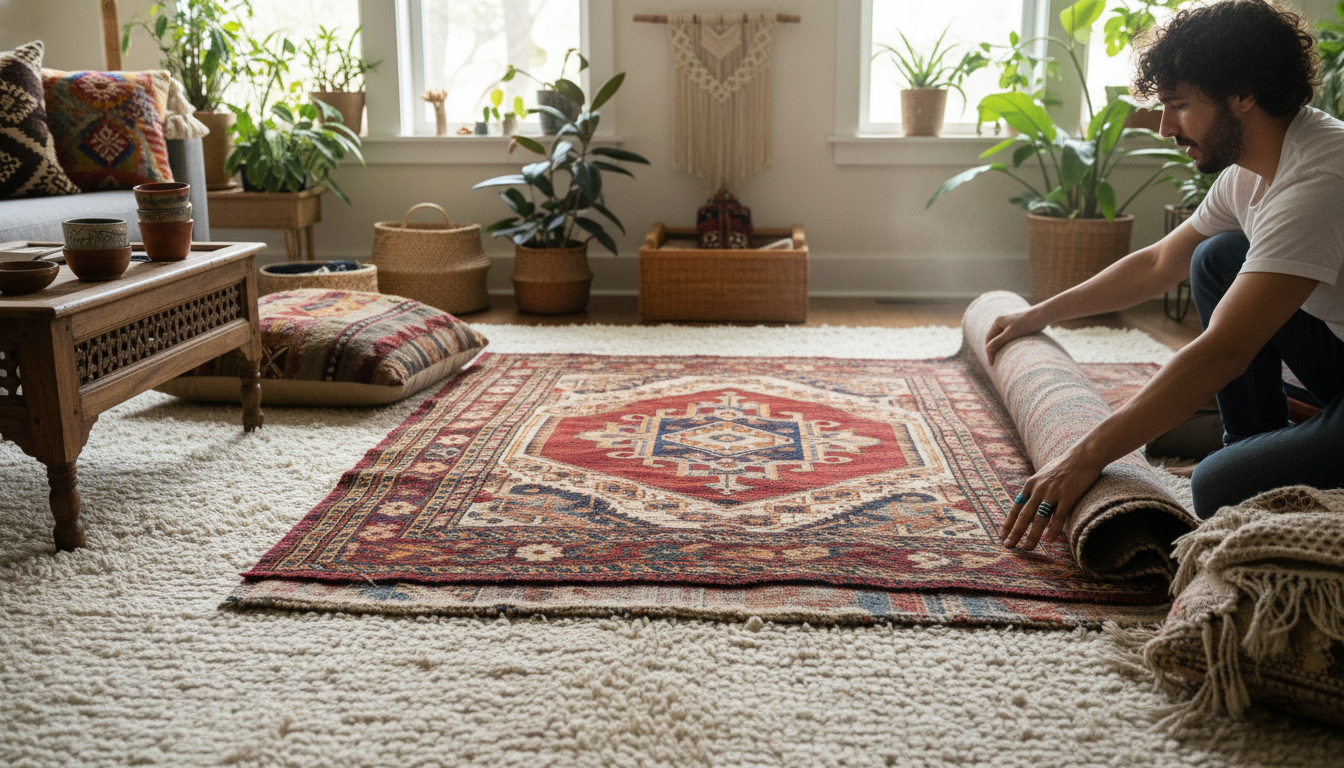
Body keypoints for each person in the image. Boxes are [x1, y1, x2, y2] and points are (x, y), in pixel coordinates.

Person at [988, 0, 1344, 551]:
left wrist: (1082, 457)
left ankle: (1254, 458)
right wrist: (1040, 314)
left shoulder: (1320, 180)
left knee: (1216, 485)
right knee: (1217, 256)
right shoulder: (1252, 173)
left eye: (1178, 105)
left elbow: (1223, 351)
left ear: (1242, 93)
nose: (1163, 125)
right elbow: (1159, 263)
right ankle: (1256, 441)